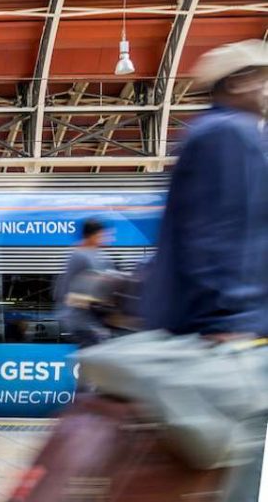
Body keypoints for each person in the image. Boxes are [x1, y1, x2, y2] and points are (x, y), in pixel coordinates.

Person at [140, 40, 267, 501]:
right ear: (237, 83)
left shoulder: (208, 131)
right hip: (228, 338)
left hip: (217, 332)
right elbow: (221, 234)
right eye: (263, 78)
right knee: (225, 479)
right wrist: (230, 322)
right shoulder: (231, 133)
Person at [53, 218, 116, 347]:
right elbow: (64, 290)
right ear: (92, 236)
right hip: (81, 321)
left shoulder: (100, 256)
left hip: (94, 320)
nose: (105, 238)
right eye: (102, 235)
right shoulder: (78, 256)